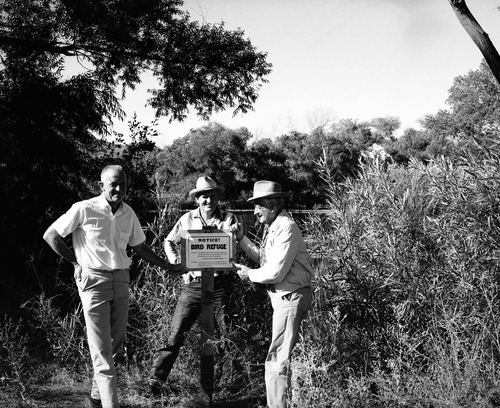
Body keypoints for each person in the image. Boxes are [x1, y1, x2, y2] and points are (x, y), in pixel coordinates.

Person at [43, 164, 184, 408]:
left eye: (123, 185)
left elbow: (139, 247)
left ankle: (98, 398)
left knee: (115, 348)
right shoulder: (84, 208)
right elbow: (51, 235)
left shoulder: (128, 213)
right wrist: (76, 262)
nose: (119, 189)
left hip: (121, 280)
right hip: (93, 281)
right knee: (102, 352)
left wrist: (167, 266)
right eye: (113, 184)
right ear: (101, 186)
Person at [149, 176, 239, 393]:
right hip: (193, 286)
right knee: (176, 334)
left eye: (213, 196)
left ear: (218, 197)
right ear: (198, 199)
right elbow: (169, 241)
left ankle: (231, 385)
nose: (209, 201)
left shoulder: (229, 218)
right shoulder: (187, 219)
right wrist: (179, 266)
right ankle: (154, 382)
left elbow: (239, 240)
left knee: (227, 337)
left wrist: (234, 233)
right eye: (204, 197)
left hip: (220, 285)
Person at [232, 180, 314, 408]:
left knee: (277, 358)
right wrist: (241, 239)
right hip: (287, 298)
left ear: (273, 204)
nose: (255, 211)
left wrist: (250, 274)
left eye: (258, 205)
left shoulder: (286, 227)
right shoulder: (275, 225)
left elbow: (276, 272)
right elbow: (266, 260)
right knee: (283, 356)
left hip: (289, 298)